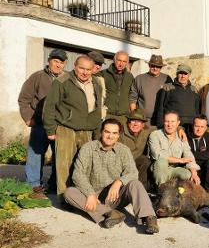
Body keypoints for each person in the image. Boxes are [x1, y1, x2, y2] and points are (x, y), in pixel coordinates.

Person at [64, 118, 159, 234]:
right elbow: (78, 174)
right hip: (94, 197)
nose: (110, 136)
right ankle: (110, 213)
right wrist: (90, 193)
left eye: (114, 133)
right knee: (69, 193)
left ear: (118, 135)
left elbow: (133, 172)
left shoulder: (123, 150)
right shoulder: (87, 148)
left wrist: (118, 182)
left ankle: (149, 218)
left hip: (115, 196)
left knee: (135, 183)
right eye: (107, 132)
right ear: (101, 132)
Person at [43, 55, 104, 196]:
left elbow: (98, 106)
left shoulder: (97, 82)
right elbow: (50, 106)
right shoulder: (62, 81)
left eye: (88, 69)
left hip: (87, 129)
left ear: (93, 69)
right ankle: (65, 197)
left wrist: (97, 127)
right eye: (81, 68)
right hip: (66, 128)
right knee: (64, 164)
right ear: (75, 66)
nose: (85, 72)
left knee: (85, 164)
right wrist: (50, 129)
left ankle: (82, 195)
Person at [18, 48, 67, 195]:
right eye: (56, 61)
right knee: (36, 154)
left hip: (59, 125)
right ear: (49, 61)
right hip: (39, 124)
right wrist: (28, 117)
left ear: (65, 64)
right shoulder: (37, 76)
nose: (58, 65)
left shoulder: (68, 79)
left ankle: (54, 184)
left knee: (59, 155)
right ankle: (33, 185)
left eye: (62, 62)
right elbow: (24, 99)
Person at [148, 111, 200, 185]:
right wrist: (180, 160)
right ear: (163, 122)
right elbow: (157, 155)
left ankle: (176, 193)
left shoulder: (181, 136)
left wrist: (194, 173)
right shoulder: (155, 135)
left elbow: (188, 154)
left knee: (187, 175)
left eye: (172, 121)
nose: (169, 125)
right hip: (159, 168)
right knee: (161, 162)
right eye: (167, 121)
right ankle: (161, 190)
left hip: (174, 169)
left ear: (178, 123)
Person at [154, 64, 200, 131]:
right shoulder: (167, 88)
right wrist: (160, 125)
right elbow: (160, 108)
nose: (183, 76)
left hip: (190, 126)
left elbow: (197, 110)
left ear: (189, 75)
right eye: (180, 73)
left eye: (185, 74)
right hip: (173, 126)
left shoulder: (194, 90)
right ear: (176, 74)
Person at [129, 54, 172, 125]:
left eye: (158, 66)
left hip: (160, 120)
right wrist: (135, 117)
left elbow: (170, 99)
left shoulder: (167, 79)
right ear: (149, 65)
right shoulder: (139, 79)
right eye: (153, 66)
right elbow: (132, 99)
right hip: (142, 120)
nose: (155, 68)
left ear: (161, 67)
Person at [119, 109, 155, 190]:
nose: (135, 124)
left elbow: (166, 127)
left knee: (145, 161)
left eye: (138, 121)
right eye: (133, 121)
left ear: (143, 125)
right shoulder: (120, 131)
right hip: (122, 161)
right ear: (128, 122)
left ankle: (141, 189)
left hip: (136, 160)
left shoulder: (147, 130)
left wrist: (180, 129)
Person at [102, 50, 133, 122]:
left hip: (123, 116)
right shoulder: (104, 74)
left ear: (127, 63)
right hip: (107, 114)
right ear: (114, 60)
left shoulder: (130, 77)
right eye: (119, 60)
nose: (121, 64)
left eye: (124, 61)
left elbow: (131, 94)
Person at [189, 115, 209, 191]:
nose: (199, 129)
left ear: (206, 127)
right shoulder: (186, 136)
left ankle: (208, 189)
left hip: (205, 165)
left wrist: (192, 154)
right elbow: (185, 154)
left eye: (202, 127)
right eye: (197, 126)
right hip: (191, 165)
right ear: (193, 126)